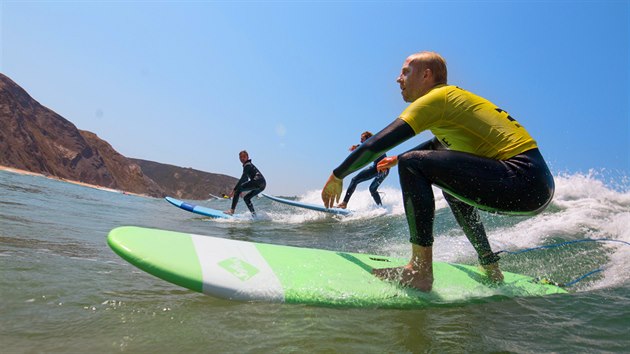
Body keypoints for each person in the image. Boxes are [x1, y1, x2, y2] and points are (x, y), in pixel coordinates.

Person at [321, 51, 554, 292]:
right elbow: (437, 147)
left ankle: (420, 271)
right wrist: (396, 159)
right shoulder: (452, 101)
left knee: (412, 163)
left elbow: (377, 143)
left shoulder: (436, 98)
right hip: (534, 183)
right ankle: (491, 268)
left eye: (405, 72)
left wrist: (338, 174)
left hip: (521, 177)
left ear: (426, 75)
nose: (398, 79)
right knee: (450, 187)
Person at [336, 131, 389, 209]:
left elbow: (365, 148)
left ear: (368, 138)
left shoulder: (373, 143)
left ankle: (344, 203)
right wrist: (357, 147)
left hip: (382, 168)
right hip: (383, 169)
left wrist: (357, 147)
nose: (360, 141)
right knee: (372, 189)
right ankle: (381, 208)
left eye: (362, 139)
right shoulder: (372, 143)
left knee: (355, 180)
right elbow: (364, 147)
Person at [226, 150, 266, 216]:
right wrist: (242, 188)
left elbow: (243, 178)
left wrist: (234, 190)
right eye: (240, 157)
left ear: (247, 157)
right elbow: (245, 179)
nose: (242, 158)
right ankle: (254, 215)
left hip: (257, 182)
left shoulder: (247, 165)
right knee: (246, 198)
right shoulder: (249, 165)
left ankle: (231, 211)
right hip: (263, 184)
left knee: (237, 190)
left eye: (244, 157)